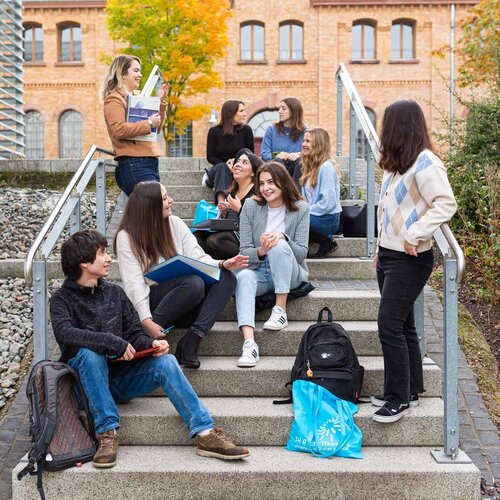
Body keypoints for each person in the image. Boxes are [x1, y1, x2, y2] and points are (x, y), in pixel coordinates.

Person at [50, 229, 250, 469]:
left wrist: (151, 344)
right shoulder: (61, 299)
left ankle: (205, 433)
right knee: (88, 354)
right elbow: (66, 334)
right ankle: (106, 434)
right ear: (84, 262)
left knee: (166, 362)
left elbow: (134, 331)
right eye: (102, 253)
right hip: (84, 388)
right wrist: (113, 342)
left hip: (120, 380)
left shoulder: (115, 293)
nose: (108, 258)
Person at [371, 99, 457, 423]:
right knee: (404, 325)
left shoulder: (426, 163)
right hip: (390, 256)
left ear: (398, 126)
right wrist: (381, 246)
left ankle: (398, 398)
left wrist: (415, 232)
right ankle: (411, 388)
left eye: (387, 124)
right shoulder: (397, 166)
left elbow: (445, 203)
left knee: (388, 324)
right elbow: (388, 212)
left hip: (411, 258)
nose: (382, 131)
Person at [114, 181, 249, 369]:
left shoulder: (175, 223)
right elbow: (134, 284)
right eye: (164, 198)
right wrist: (147, 321)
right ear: (149, 205)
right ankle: (145, 338)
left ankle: (192, 339)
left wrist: (222, 263)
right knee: (193, 283)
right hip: (154, 306)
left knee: (226, 277)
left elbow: (197, 257)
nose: (171, 200)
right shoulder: (126, 237)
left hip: (186, 301)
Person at [235, 162, 310, 367]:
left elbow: (303, 252)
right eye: (261, 183)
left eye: (271, 182)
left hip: (290, 272)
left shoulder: (301, 208)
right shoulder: (250, 206)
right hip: (260, 271)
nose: (265, 188)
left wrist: (282, 237)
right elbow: (244, 252)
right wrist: (261, 250)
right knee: (243, 277)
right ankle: (249, 344)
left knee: (278, 243)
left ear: (283, 182)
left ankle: (280, 310)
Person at [102, 54, 167, 196]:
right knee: (154, 210)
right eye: (136, 70)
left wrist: (159, 102)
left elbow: (155, 129)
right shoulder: (114, 99)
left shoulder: (136, 99)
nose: (140, 74)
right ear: (122, 74)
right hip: (134, 164)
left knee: (153, 213)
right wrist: (149, 123)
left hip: (148, 162)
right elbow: (118, 129)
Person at [195, 148, 263, 259]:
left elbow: (259, 225)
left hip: (247, 238)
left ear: (253, 172)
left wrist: (240, 209)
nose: (238, 164)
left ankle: (248, 260)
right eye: (238, 161)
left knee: (215, 240)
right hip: (230, 233)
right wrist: (224, 213)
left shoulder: (257, 193)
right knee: (198, 237)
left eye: (244, 162)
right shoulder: (232, 192)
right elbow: (229, 222)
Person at [300, 127, 342, 258]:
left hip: (328, 218)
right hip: (315, 215)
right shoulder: (310, 166)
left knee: (295, 218)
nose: (303, 144)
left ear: (318, 144)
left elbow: (328, 203)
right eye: (303, 141)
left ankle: (325, 241)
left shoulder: (326, 167)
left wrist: (304, 210)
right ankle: (309, 244)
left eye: (308, 141)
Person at [204, 100, 255, 203]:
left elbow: (250, 154)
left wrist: (235, 162)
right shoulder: (214, 131)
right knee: (222, 168)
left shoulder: (246, 130)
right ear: (230, 113)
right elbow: (210, 156)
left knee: (245, 155)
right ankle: (221, 202)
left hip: (238, 169)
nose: (245, 114)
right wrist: (226, 164)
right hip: (218, 169)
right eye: (241, 111)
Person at [261, 97, 307, 185]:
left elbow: (311, 152)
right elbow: (264, 153)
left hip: (296, 168)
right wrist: (277, 155)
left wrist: (298, 154)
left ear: (293, 111)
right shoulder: (271, 129)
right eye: (279, 108)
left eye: (283, 108)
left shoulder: (305, 131)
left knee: (301, 162)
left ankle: (297, 194)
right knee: (278, 162)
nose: (279, 111)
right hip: (276, 168)